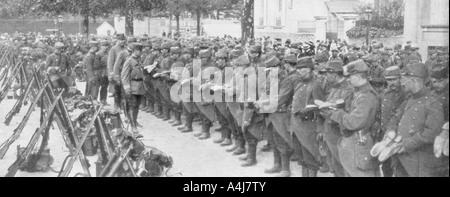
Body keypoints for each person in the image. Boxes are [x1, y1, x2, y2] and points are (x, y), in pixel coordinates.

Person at [387, 62, 446, 177]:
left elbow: (430, 134)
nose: (402, 83)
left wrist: (405, 144)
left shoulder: (433, 103)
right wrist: (391, 131)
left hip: (418, 164)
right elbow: (395, 118)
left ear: (413, 81)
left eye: (405, 79)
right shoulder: (409, 99)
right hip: (401, 159)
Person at [328, 60, 380, 177]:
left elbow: (354, 122)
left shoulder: (366, 96)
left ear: (356, 76)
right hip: (356, 144)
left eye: (349, 77)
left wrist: (335, 113)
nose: (348, 80)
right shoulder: (360, 93)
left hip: (359, 145)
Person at [290, 56, 325, 177]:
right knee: (302, 157)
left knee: (310, 155)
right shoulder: (301, 83)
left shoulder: (315, 85)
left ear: (309, 69)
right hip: (297, 126)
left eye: (302, 69)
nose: (299, 72)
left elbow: (320, 105)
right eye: (298, 69)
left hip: (308, 126)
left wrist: (306, 110)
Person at [320, 60, 354, 177]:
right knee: (335, 164)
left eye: (327, 74)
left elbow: (346, 113)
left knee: (343, 165)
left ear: (334, 75)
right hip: (330, 131)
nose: (325, 76)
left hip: (339, 133)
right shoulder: (334, 87)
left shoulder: (348, 90)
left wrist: (327, 111)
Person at [121, 43, 145, 137]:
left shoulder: (138, 60)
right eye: (139, 51)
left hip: (140, 86)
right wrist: (127, 88)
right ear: (134, 51)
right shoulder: (129, 61)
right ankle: (133, 127)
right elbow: (124, 75)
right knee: (132, 106)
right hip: (132, 86)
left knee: (137, 107)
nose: (140, 52)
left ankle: (134, 123)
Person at [108, 34, 126, 111]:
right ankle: (116, 105)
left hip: (124, 72)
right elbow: (110, 62)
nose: (123, 41)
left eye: (123, 40)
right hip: (117, 73)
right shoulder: (113, 49)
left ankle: (122, 105)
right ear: (117, 40)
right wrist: (111, 73)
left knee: (124, 90)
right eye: (121, 40)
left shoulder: (126, 48)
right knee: (116, 90)